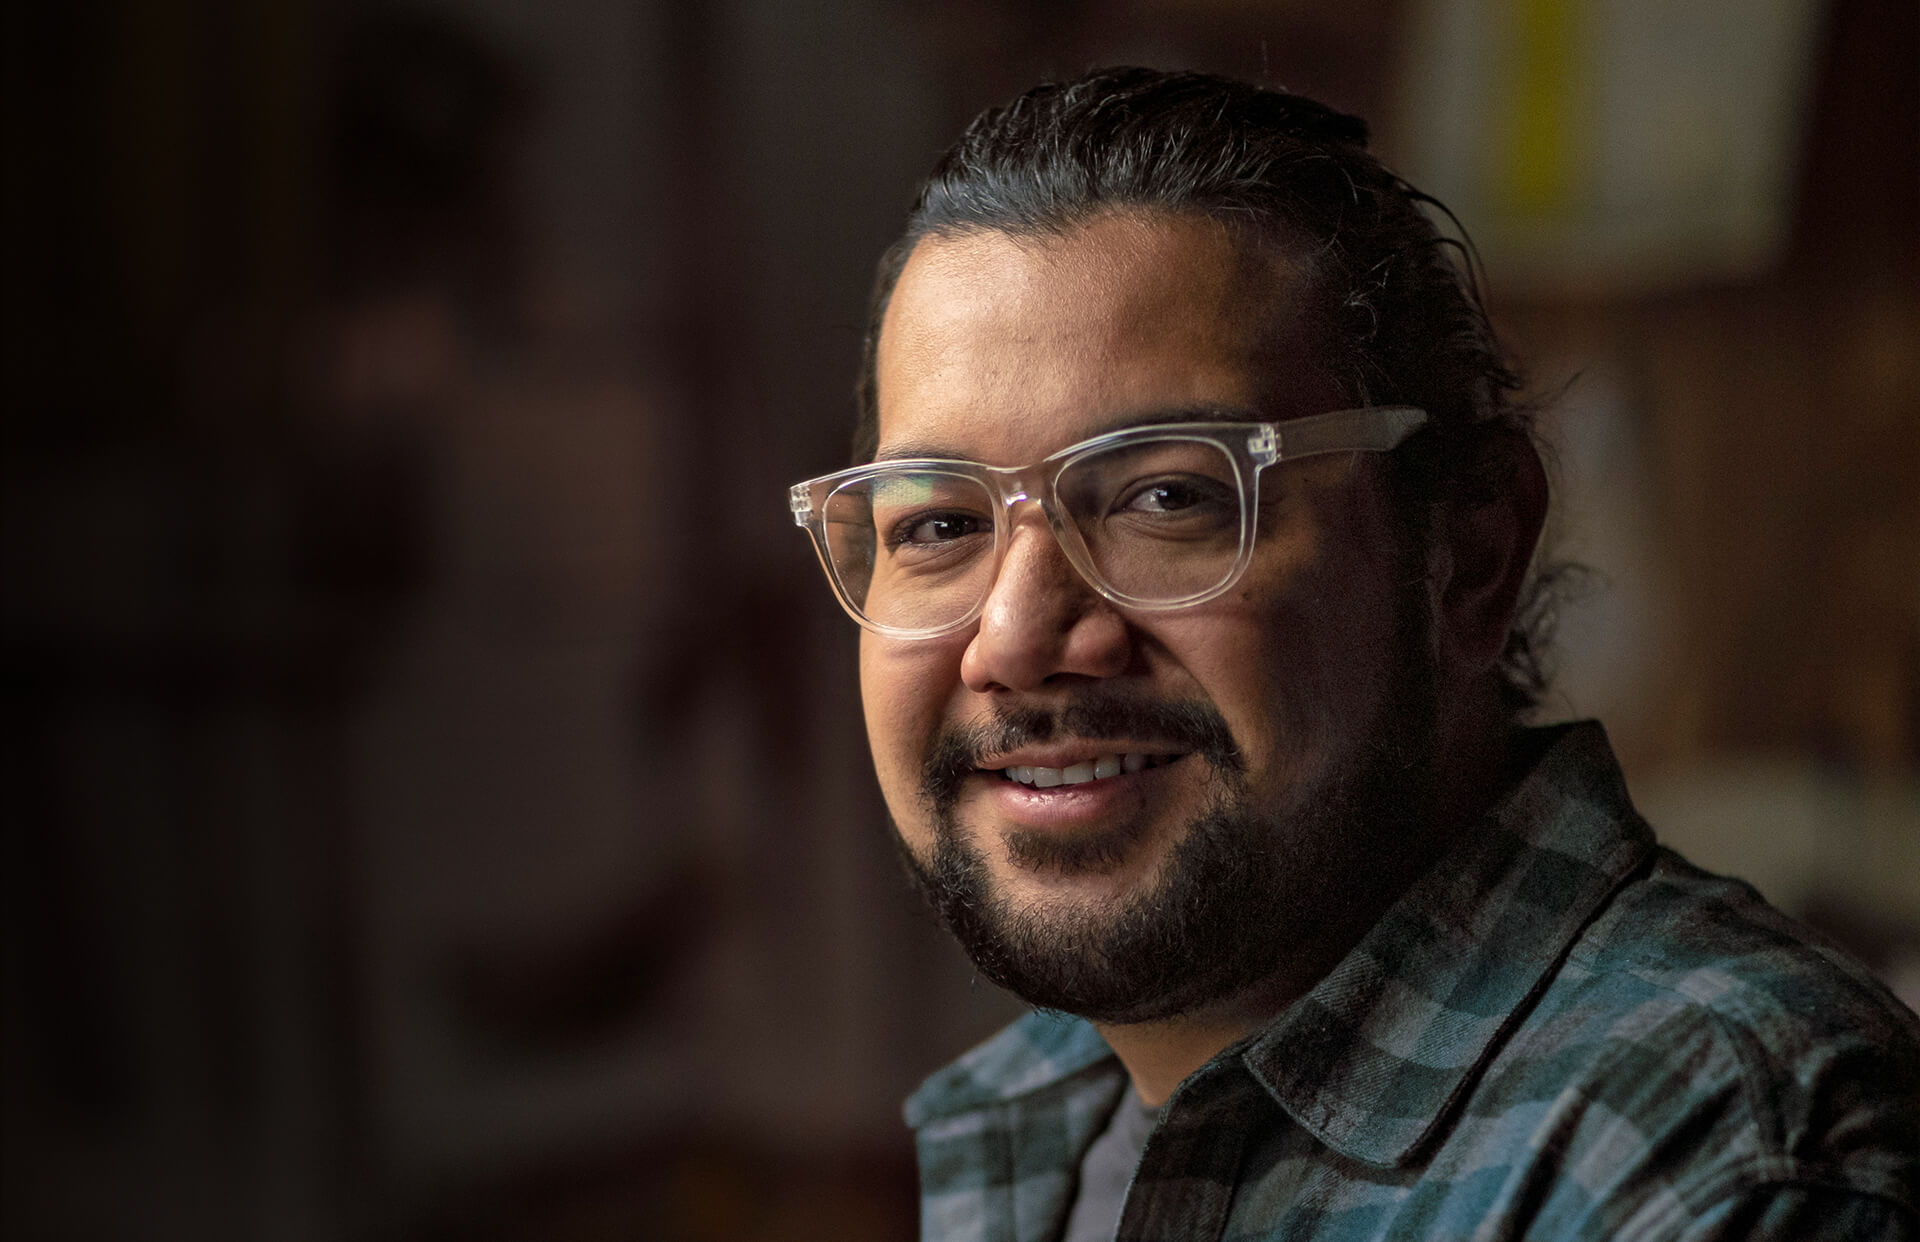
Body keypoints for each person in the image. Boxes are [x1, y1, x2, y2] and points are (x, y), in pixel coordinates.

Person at [787, 67, 1920, 1240]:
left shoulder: (1721, 1164)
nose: (1017, 639)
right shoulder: (1042, 1121)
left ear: (1469, 553)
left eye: (1170, 497)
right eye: (939, 527)